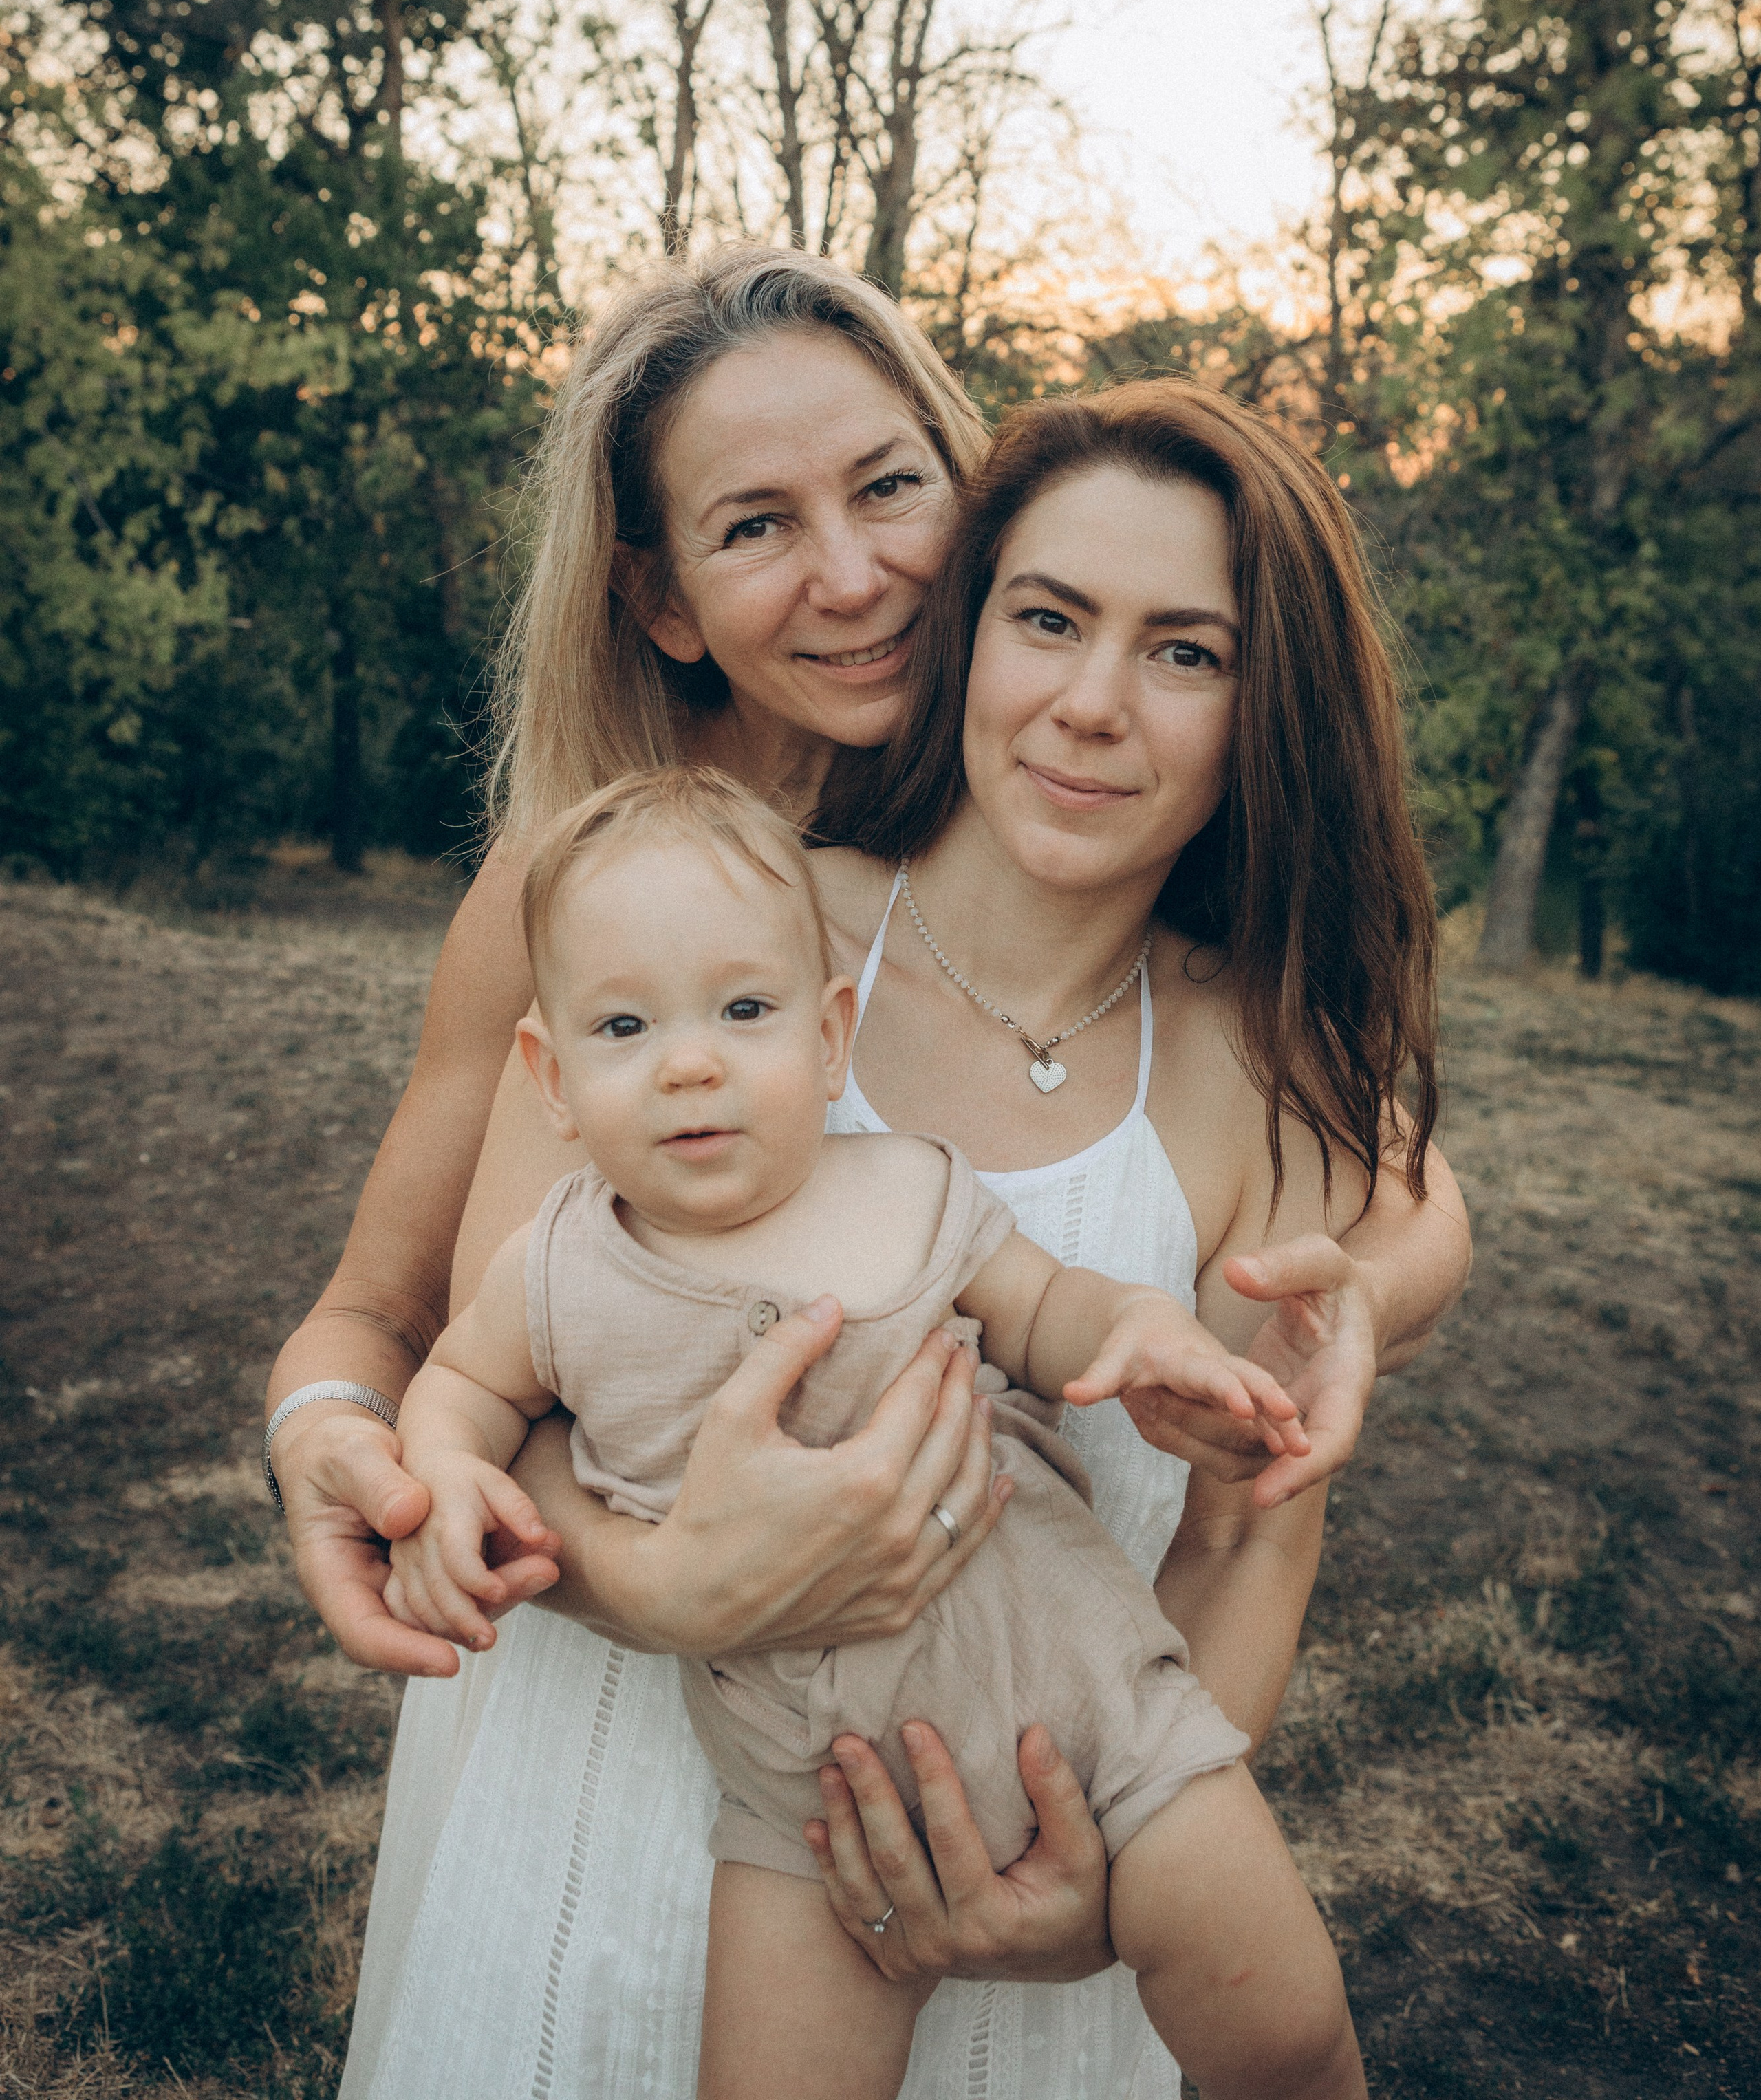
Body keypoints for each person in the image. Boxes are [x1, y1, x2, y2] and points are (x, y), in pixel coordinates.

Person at [261, 248, 1467, 2098]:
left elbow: (1310, 1389)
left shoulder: (1247, 1051)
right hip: (624, 1794)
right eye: (1049, 621)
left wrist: (1119, 1870)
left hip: (1014, 1831)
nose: (1088, 701)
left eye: (890, 492)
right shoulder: (691, 945)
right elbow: (474, 1353)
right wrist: (658, 1574)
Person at [387, 765, 1366, 2100]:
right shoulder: (557, 1268)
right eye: (624, 1026)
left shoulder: (907, 1189)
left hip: (1075, 1689)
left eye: (743, 1009)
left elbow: (1048, 1307)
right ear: (550, 1079)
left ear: (830, 1034)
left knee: (1283, 2031)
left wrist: (1140, 1337)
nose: (690, 1060)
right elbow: (458, 1386)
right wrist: (443, 1473)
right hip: (804, 1797)